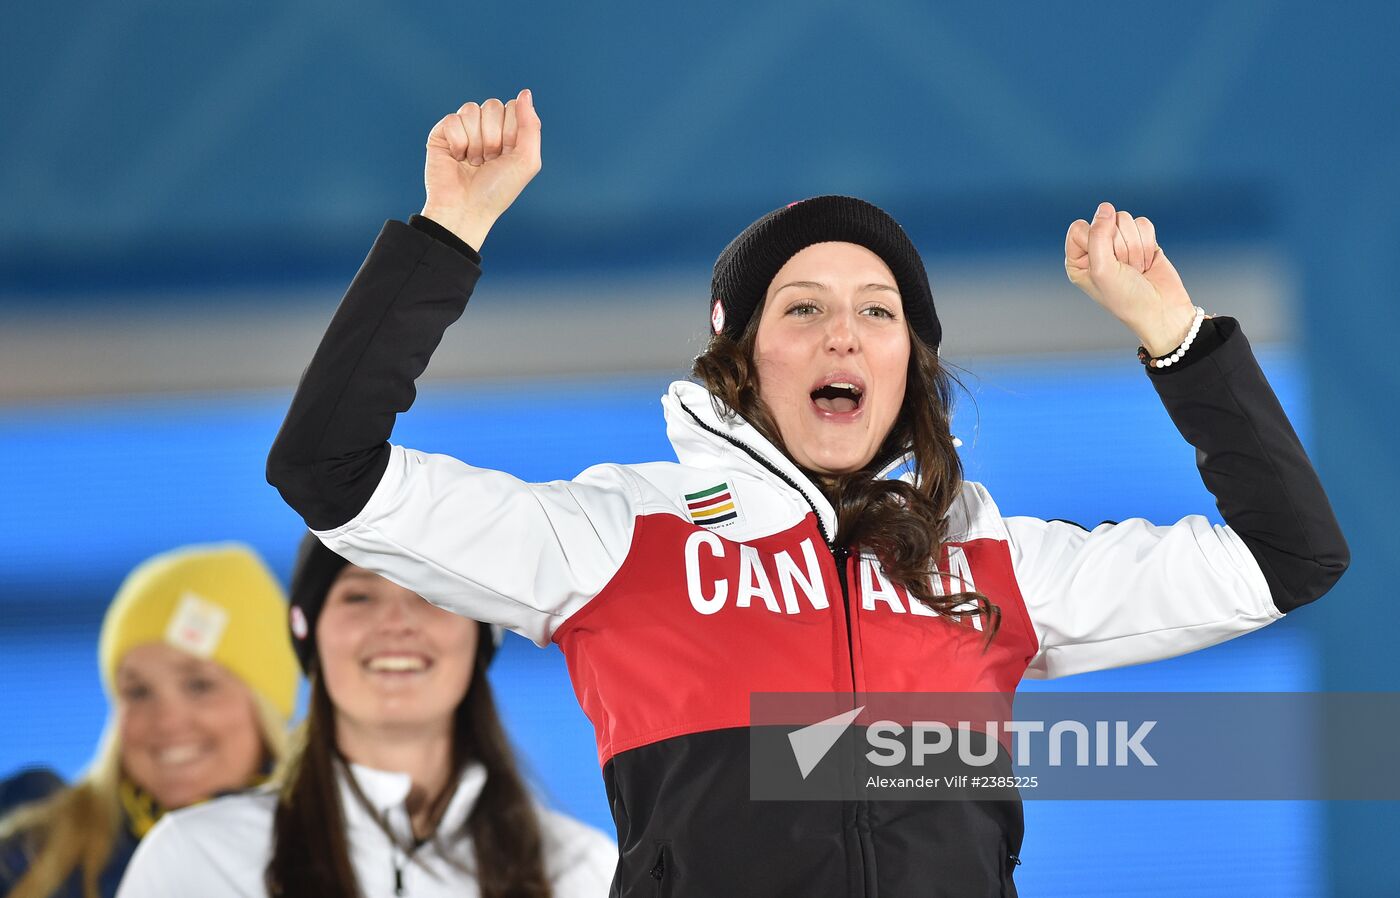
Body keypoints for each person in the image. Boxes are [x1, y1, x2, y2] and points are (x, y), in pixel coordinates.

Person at [263, 89, 1348, 897]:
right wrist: (449, 229)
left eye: (879, 312)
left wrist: (1172, 333)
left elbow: (1289, 557)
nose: (844, 331)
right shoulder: (619, 534)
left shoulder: (984, 558)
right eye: (802, 307)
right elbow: (329, 467)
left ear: (908, 365)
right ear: (734, 352)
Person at [117, 533, 617, 897]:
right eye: (359, 595)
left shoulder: (580, 871)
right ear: (309, 636)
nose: (396, 623)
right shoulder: (194, 859)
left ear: (479, 636)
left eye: (431, 595)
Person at [0, 544, 299, 898]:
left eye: (199, 685)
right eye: (138, 691)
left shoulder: (333, 850)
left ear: (266, 705)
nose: (167, 721)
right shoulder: (31, 846)